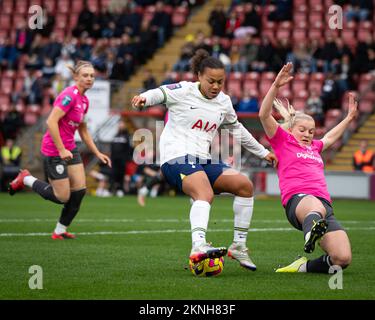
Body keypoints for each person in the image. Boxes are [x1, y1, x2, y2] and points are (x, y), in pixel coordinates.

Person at [131, 49, 277, 271]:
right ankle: (198, 246)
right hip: (175, 157)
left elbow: (237, 130)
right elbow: (158, 93)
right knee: (205, 194)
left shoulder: (224, 102)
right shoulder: (183, 90)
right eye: (211, 81)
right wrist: (143, 98)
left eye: (220, 82)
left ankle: (238, 246)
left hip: (203, 160)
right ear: (199, 76)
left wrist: (263, 152)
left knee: (244, 186)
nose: (216, 86)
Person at [258, 62, 356, 273]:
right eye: (303, 130)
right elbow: (264, 115)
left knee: (342, 258)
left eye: (311, 131)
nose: (308, 134)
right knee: (314, 205)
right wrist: (275, 85)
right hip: (299, 201)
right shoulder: (283, 141)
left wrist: (348, 118)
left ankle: (303, 266)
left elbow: (329, 137)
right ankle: (310, 231)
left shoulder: (315, 147)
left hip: (323, 207)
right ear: (291, 129)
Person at [8, 61, 111, 240]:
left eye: (92, 76)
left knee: (79, 191)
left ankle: (60, 231)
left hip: (70, 149)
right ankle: (27, 179)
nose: (89, 79)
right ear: (76, 77)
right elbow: (51, 121)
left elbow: (83, 130)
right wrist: (61, 149)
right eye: (85, 75)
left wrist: (97, 152)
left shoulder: (84, 100)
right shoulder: (69, 95)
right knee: (62, 197)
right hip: (54, 150)